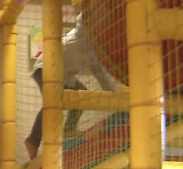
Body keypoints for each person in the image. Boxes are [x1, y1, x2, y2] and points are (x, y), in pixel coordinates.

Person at [24, 13, 123, 160]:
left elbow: (98, 71)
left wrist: (113, 93)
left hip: (62, 74)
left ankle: (69, 129)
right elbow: (84, 18)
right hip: (46, 68)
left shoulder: (92, 49)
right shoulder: (84, 35)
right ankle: (33, 140)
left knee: (81, 93)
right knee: (53, 104)